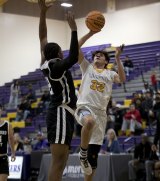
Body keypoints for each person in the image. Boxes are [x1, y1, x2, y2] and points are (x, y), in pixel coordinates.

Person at [74, 30, 126, 180]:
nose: (98, 55)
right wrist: (90, 32)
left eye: (101, 55)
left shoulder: (109, 74)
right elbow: (75, 46)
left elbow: (122, 78)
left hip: (101, 114)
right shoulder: (87, 67)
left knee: (92, 161)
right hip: (85, 108)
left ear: (106, 61)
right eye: (96, 54)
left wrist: (117, 58)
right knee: (89, 121)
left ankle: (86, 158)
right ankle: (82, 153)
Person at [38, 0, 79, 180]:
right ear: (58, 53)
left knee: (62, 161)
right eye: (61, 51)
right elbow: (73, 57)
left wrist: (43, 13)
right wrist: (74, 29)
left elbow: (42, 37)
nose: (63, 52)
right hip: (60, 111)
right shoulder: (56, 67)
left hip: (64, 112)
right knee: (58, 161)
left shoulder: (46, 62)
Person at [0, 104, 16, 181]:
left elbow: (11, 139)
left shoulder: (7, 125)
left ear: (1, 110)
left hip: (3, 157)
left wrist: (13, 153)